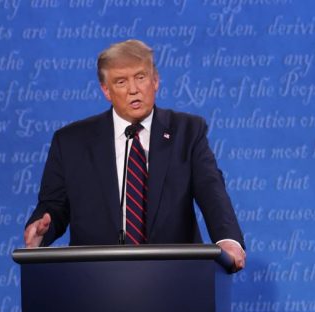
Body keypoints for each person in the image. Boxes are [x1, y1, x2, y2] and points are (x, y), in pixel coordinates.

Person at [23, 39, 247, 271]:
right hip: (95, 279)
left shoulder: (187, 131)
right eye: (121, 81)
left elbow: (212, 191)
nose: (133, 89)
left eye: (140, 77)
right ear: (106, 90)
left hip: (175, 275)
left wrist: (228, 240)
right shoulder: (71, 142)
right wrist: (41, 231)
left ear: (155, 80)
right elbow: (54, 206)